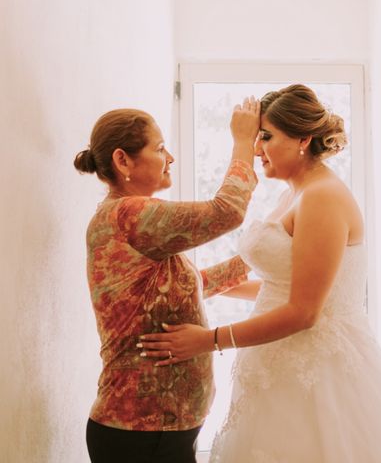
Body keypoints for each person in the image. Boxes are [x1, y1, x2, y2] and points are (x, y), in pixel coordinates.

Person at [139, 85, 381, 462]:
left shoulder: (322, 197)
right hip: (277, 367)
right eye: (256, 137)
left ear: (303, 139)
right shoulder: (294, 193)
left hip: (318, 375)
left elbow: (305, 310)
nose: (256, 148)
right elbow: (283, 286)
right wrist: (200, 288)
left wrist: (209, 340)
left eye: (265, 137)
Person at [73, 99, 260, 463]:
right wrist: (241, 141)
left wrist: (258, 256)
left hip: (159, 431)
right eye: (159, 148)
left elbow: (187, 288)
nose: (169, 157)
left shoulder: (127, 220)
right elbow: (227, 212)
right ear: (122, 161)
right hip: (140, 433)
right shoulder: (129, 213)